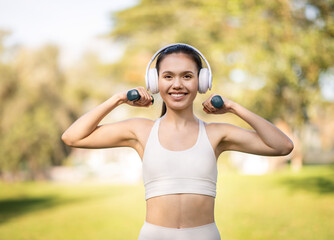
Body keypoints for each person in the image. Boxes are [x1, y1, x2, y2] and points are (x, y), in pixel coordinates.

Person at [61, 43, 294, 240]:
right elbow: (72, 137)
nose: (177, 84)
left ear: (202, 82)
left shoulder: (216, 134)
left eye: (187, 76)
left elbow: (283, 146)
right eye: (168, 76)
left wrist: (233, 107)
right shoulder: (141, 131)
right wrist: (119, 99)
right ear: (155, 82)